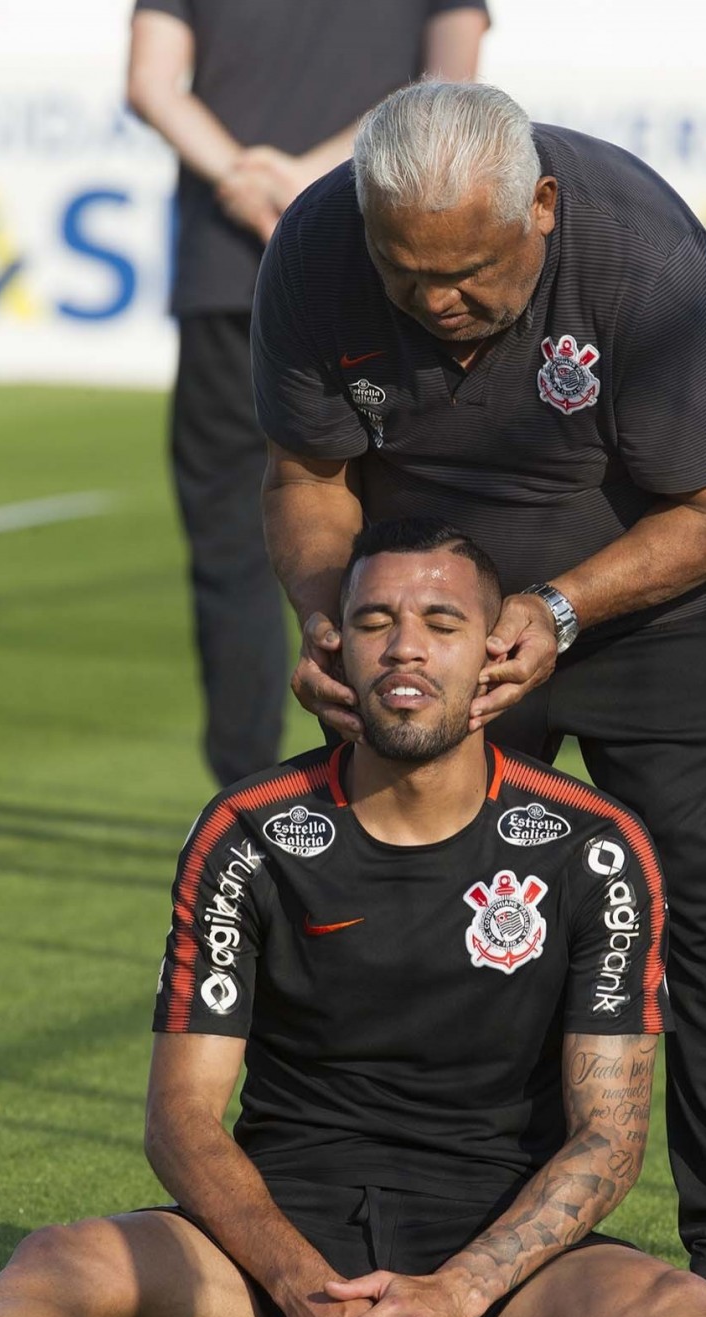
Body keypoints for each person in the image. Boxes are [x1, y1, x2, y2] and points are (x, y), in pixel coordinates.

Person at [0, 518, 706, 1317]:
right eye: (373, 622)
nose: (404, 649)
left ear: (494, 659)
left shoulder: (593, 845)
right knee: (70, 1262)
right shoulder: (249, 833)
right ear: (333, 651)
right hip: (266, 1261)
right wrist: (305, 1290)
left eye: (441, 624)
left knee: (669, 1308)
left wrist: (449, 1298)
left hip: (501, 1277)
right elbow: (183, 1118)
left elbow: (607, 1139)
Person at [252, 79, 706, 1317]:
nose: (437, 300)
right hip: (444, 602)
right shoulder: (315, 247)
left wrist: (554, 614)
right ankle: (444, 1240)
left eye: (468, 273)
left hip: (666, 596)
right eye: (408, 274)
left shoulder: (639, 257)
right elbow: (308, 474)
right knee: (430, 897)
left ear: (541, 209)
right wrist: (330, 616)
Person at [125, 1, 489, 785]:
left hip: (233, 264)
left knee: (234, 553)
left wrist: (241, 176)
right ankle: (414, 791)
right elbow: (451, 84)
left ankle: (245, 802)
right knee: (421, 540)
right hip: (378, 272)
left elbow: (151, 85)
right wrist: (313, 176)